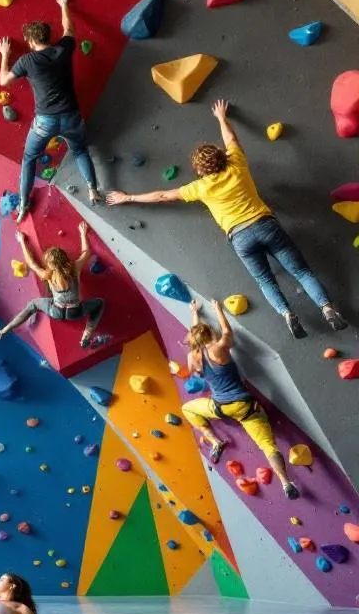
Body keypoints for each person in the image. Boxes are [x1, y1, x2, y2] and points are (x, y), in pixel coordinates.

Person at [105, 99, 347, 338]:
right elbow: (231, 139)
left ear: (200, 170)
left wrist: (128, 198)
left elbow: (162, 195)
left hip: (240, 237)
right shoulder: (237, 163)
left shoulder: (200, 187)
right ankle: (327, 308)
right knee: (301, 272)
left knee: (265, 280)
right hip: (265, 225)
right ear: (221, 156)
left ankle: (287, 315)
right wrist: (222, 118)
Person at [0, 0, 102, 218]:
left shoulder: (27, 60)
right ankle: (93, 190)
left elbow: (3, 81)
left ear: (31, 41)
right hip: (71, 116)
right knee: (80, 150)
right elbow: (69, 29)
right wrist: (64, 4)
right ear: (47, 36)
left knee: (29, 158)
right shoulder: (63, 49)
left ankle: (24, 205)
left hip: (45, 120)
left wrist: (5, 54)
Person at [181, 299, 299, 499]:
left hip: (220, 407)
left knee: (188, 409)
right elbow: (227, 332)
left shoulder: (193, 358)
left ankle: (215, 441)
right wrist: (218, 310)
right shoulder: (219, 349)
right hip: (246, 407)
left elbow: (196, 335)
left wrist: (194, 313)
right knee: (268, 446)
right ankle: (285, 482)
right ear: (209, 333)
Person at [0, 222, 104, 347]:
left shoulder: (47, 274)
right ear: (65, 258)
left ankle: (3, 331)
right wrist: (82, 233)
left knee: (32, 304)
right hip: (74, 312)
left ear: (49, 265)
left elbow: (31, 263)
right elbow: (86, 252)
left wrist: (22, 241)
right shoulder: (74, 268)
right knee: (100, 303)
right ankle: (86, 334)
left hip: (56, 311)